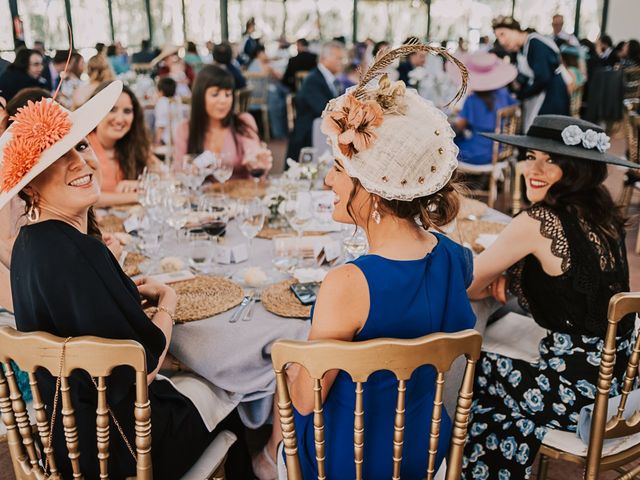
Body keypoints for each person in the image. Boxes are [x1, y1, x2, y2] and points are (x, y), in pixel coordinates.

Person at [0, 80, 251, 478]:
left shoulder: (32, 242)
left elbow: (79, 316)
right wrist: (167, 302)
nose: (79, 163)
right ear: (29, 186)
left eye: (80, 146)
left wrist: (117, 289)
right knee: (235, 394)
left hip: (65, 441)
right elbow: (142, 370)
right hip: (121, 451)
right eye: (56, 158)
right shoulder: (78, 252)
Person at [270, 43, 476, 479]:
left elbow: (306, 401)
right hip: (424, 450)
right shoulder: (455, 257)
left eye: (339, 169)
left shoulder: (348, 283)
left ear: (376, 189)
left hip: (350, 461)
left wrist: (289, 357)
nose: (328, 179)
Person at [461, 115, 638, 479]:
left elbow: (468, 285)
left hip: (578, 394)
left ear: (577, 169)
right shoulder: (602, 209)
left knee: (467, 371)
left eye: (552, 160)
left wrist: (502, 275)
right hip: (622, 385)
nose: (534, 169)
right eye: (530, 156)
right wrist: (515, 274)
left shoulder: (540, 220)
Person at [173, 65, 272, 177]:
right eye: (215, 94)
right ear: (200, 96)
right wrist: (193, 170)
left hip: (239, 193)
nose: (223, 100)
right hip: (201, 194)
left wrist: (256, 161)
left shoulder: (243, 121)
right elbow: (179, 172)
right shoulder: (185, 129)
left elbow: (252, 150)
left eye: (228, 94)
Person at [492, 16, 569, 130]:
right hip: (541, 98)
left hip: (552, 99)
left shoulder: (535, 43)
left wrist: (521, 95)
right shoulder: (521, 50)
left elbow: (543, 78)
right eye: (498, 37)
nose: (501, 41)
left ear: (515, 30)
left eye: (503, 34)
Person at [87, 82, 156, 206]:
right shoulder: (81, 148)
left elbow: (168, 179)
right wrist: (137, 196)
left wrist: (141, 184)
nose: (120, 119)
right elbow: (87, 197)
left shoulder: (135, 146)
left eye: (127, 111)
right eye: (112, 110)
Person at [450, 51, 518, 165]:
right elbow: (516, 106)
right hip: (501, 148)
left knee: (450, 145)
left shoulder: (472, 100)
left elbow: (459, 126)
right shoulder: (503, 93)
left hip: (479, 152)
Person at [286, 41, 346, 162]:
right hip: (308, 138)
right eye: (338, 58)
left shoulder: (333, 80)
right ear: (324, 58)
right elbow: (324, 110)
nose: (341, 62)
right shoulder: (313, 80)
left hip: (323, 132)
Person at [248, 44, 288, 139]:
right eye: (264, 52)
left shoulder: (252, 64)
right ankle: (279, 132)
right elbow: (280, 77)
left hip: (251, 97)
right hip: (263, 97)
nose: (266, 54)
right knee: (280, 97)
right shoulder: (265, 66)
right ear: (259, 53)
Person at [154, 77, 182, 147]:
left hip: (166, 140)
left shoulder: (161, 102)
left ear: (161, 92)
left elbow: (161, 125)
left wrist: (157, 143)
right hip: (178, 138)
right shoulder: (176, 101)